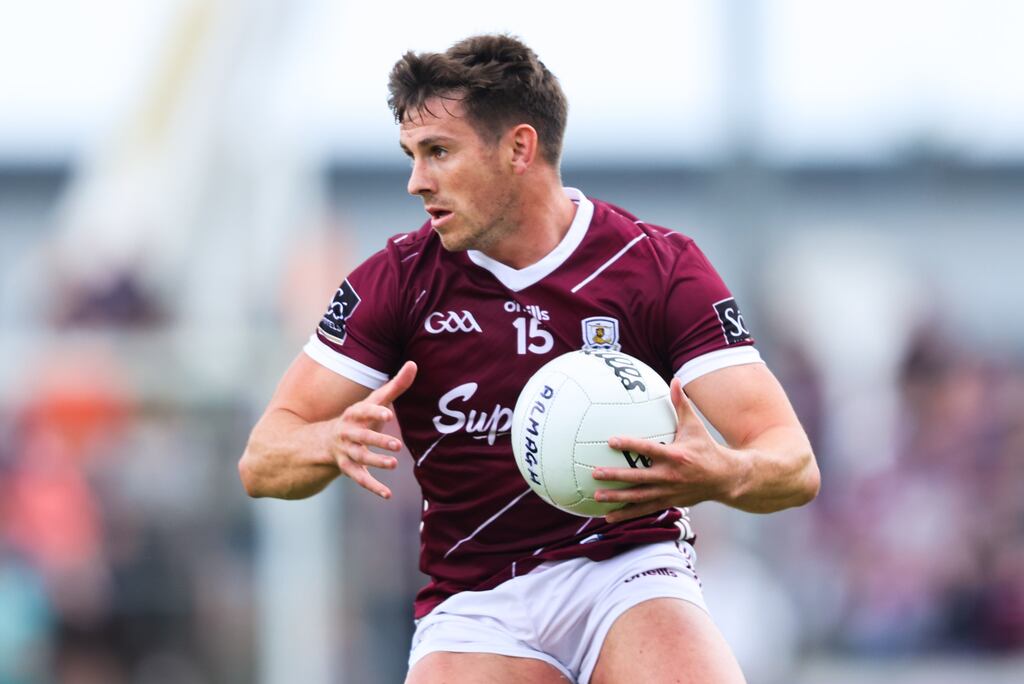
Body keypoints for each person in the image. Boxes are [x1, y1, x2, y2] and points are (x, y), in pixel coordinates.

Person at [238, 34, 820, 684]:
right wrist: (328, 441)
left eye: (439, 152)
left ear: (519, 148)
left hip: (627, 570)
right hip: (477, 599)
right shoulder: (396, 282)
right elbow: (262, 459)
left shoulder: (656, 267)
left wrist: (722, 474)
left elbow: (792, 463)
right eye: (411, 155)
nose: (416, 182)